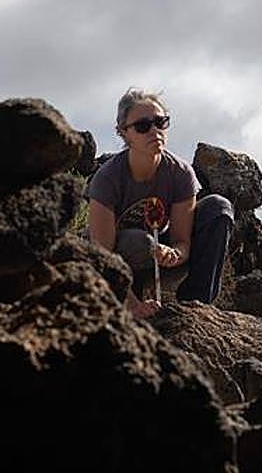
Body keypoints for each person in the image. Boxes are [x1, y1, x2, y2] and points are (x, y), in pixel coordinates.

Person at [86, 88, 233, 319]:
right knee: (138, 241)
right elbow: (101, 256)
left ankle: (197, 307)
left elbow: (182, 241)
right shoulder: (107, 179)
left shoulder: (181, 173)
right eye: (143, 126)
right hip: (113, 265)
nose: (154, 131)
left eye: (160, 122)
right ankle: (125, 307)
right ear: (123, 133)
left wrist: (173, 253)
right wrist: (132, 305)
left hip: (157, 255)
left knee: (219, 208)